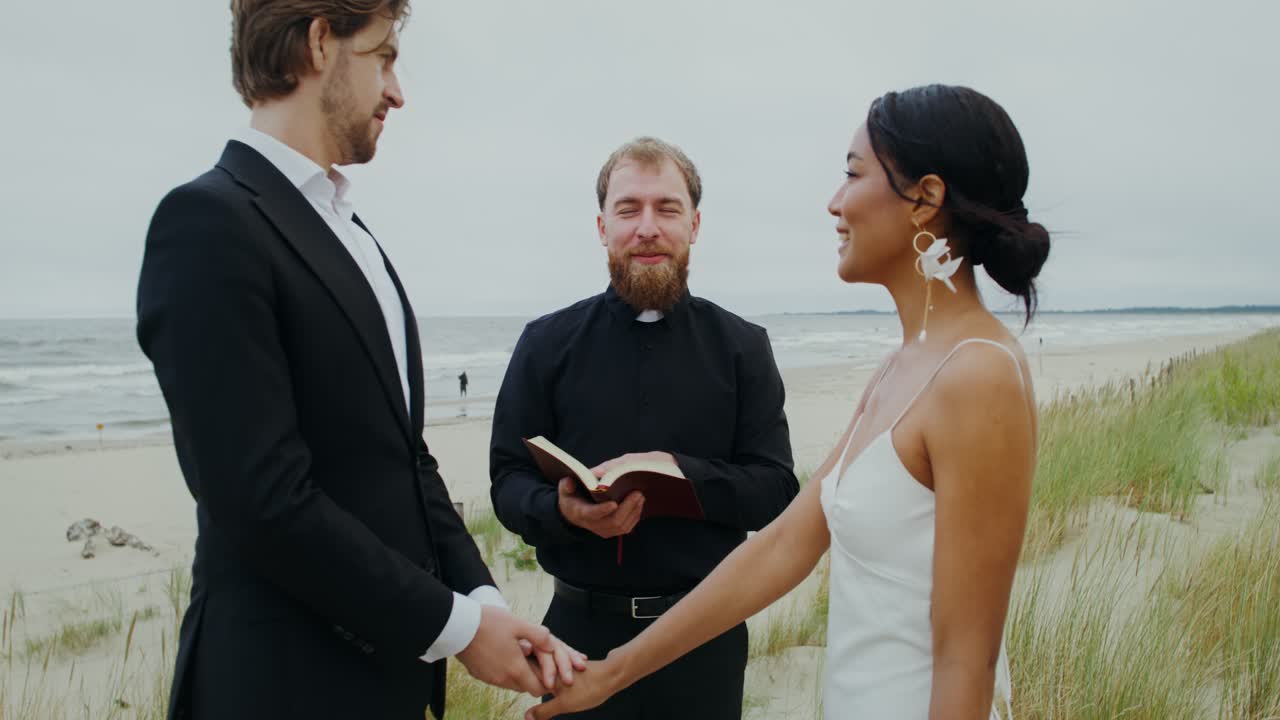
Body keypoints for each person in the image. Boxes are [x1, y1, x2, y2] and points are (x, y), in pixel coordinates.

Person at [526, 85, 1049, 720]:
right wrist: (613, 674)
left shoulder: (978, 374)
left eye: (853, 174)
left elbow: (966, 663)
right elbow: (780, 547)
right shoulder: (898, 369)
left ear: (925, 200)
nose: (834, 202)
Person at [135, 2, 581, 718]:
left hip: (387, 681)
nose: (397, 92)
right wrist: (458, 630)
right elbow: (261, 500)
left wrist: (483, 600)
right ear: (319, 44)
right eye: (384, 58)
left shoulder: (351, 231)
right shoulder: (208, 224)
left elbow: (405, 460)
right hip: (278, 685)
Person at [490, 137, 799, 719]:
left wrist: (683, 476)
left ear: (696, 224)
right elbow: (506, 481)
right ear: (602, 226)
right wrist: (565, 513)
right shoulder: (545, 343)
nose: (648, 227)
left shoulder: (742, 347)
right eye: (629, 209)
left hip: (703, 637)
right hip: (575, 639)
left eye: (668, 208)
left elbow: (776, 491)